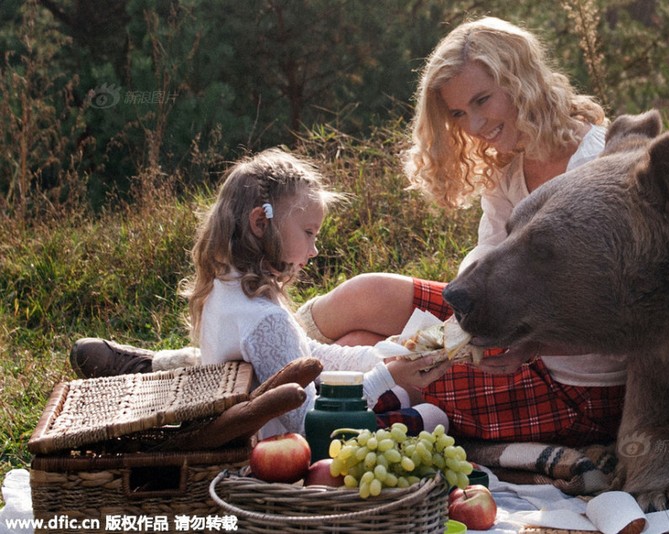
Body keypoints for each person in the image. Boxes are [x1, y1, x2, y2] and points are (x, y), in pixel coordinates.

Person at [294, 17, 627, 446]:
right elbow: (487, 256)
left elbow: (624, 323)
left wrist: (527, 344)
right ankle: (262, 351)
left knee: (366, 356)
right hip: (504, 332)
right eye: (457, 113)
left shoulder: (597, 167)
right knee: (366, 295)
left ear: (521, 81)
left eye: (482, 100)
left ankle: (272, 403)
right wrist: (450, 327)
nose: (472, 126)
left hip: (572, 384)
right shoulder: (512, 164)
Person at [70, 148, 451, 437]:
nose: (314, 249)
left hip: (275, 430)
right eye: (308, 233)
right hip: (285, 447)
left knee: (403, 398)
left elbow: (311, 356)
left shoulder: (229, 285)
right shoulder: (263, 319)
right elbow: (309, 423)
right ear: (259, 223)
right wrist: (388, 376)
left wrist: (388, 354)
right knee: (434, 417)